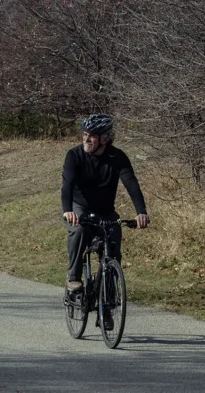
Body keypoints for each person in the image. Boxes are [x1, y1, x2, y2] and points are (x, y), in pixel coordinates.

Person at [62, 113, 149, 295]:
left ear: (105, 138)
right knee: (79, 231)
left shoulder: (117, 157)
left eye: (93, 136)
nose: (87, 139)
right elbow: (67, 184)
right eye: (85, 134)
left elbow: (131, 184)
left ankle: (108, 300)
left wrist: (141, 211)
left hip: (105, 211)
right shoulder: (75, 155)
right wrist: (68, 210)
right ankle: (74, 277)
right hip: (80, 208)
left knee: (113, 245)